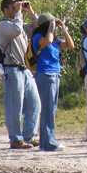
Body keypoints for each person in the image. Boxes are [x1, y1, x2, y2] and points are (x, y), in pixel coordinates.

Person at [0, 0, 41, 149]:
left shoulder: (19, 22)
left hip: (25, 69)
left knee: (35, 103)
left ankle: (28, 136)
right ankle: (15, 139)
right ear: (6, 10)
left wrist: (30, 12)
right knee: (14, 106)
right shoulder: (3, 25)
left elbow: (37, 29)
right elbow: (16, 31)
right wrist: (19, 14)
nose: (17, 8)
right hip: (12, 68)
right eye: (13, 6)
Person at [32, 13, 75, 151]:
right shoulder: (38, 37)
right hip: (45, 74)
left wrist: (64, 30)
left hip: (55, 74)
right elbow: (48, 41)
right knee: (47, 110)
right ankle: (48, 143)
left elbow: (70, 45)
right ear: (46, 25)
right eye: (52, 25)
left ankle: (47, 141)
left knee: (52, 109)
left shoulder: (55, 40)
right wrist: (51, 25)